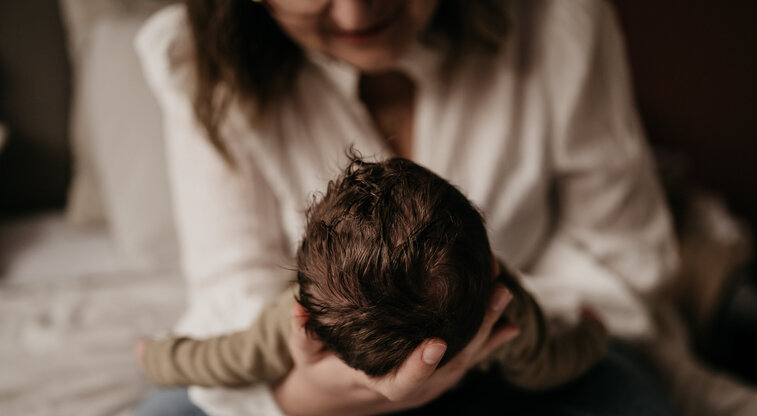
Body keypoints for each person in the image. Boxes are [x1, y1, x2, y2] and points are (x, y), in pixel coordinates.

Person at [94, 0, 688, 416]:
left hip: (504, 371)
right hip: (313, 387)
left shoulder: (558, 18)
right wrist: (307, 394)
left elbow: (610, 263)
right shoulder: (203, 60)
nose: (355, 14)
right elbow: (229, 316)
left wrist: (539, 334)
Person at [136, 155, 608, 393]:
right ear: (490, 267)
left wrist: (155, 356)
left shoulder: (293, 322)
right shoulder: (508, 309)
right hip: (463, 410)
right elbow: (547, 366)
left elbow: (214, 360)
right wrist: (593, 335)